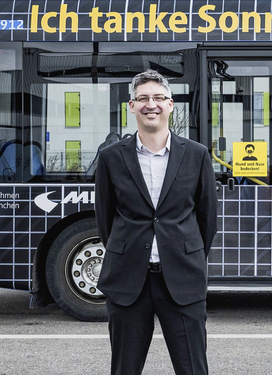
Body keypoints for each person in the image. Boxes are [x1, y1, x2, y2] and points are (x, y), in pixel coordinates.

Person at [95, 69, 218, 375]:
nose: (152, 104)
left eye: (159, 98)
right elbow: (105, 219)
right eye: (143, 98)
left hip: (182, 278)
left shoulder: (197, 155)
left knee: (193, 368)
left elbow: (207, 220)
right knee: (125, 368)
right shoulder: (111, 157)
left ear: (171, 104)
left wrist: (186, 255)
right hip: (128, 280)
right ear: (131, 106)